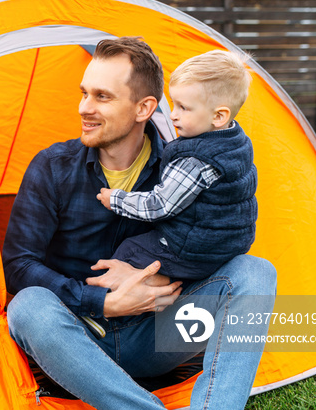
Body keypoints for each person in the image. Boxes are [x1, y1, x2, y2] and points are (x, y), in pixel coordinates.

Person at [2, 37, 277, 410]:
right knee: (27, 307)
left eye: (102, 97)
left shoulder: (185, 170)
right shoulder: (52, 166)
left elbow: (215, 242)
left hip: (155, 334)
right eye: (84, 93)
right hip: (77, 336)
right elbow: (18, 266)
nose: (84, 107)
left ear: (144, 107)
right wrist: (104, 301)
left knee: (255, 271)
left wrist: (156, 280)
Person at [95, 50, 257, 281]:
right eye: (173, 105)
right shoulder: (237, 141)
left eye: (183, 108)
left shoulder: (196, 161)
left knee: (130, 250)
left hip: (193, 250)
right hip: (225, 246)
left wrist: (116, 200)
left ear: (219, 116)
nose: (172, 115)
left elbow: (159, 205)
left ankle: (112, 310)